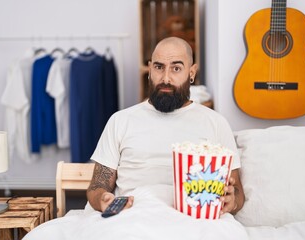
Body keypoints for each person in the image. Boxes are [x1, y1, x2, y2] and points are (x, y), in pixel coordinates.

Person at [86, 36, 245, 216]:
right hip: (133, 216)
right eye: (159, 67)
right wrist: (103, 199)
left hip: (194, 217)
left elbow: (237, 193)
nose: (166, 78)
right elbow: (97, 185)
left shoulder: (215, 123)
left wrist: (231, 201)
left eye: (176, 68)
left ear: (191, 73)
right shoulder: (121, 120)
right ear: (150, 69)